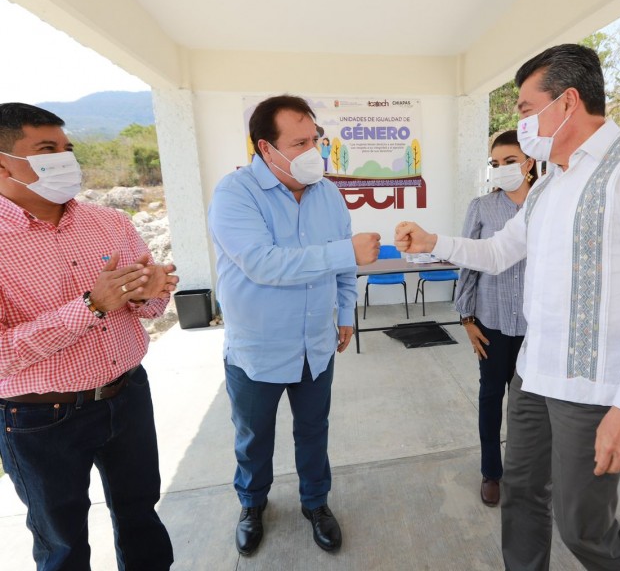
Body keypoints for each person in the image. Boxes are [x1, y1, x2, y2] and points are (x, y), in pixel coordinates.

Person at [394, 43, 620, 570]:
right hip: (534, 375)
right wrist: (432, 242)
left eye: (527, 109)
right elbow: (498, 252)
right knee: (522, 497)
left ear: (568, 102)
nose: (523, 123)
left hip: (597, 388)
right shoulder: (548, 185)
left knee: (584, 527)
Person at [0, 102, 179, 570]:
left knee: (141, 515)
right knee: (63, 544)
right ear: (3, 163)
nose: (65, 160)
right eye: (46, 150)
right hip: (41, 418)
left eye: (67, 148)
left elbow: (150, 308)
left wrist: (150, 291)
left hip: (127, 394)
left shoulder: (109, 222)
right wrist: (91, 306)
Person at [207, 95, 380, 557]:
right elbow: (265, 264)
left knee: (313, 430)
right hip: (258, 350)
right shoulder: (234, 194)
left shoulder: (327, 193)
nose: (314, 151)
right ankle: (252, 503)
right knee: (253, 436)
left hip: (315, 344)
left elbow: (344, 267)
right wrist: (348, 253)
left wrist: (346, 313)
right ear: (266, 148)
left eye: (316, 139)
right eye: (300, 142)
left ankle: (315, 503)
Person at [453, 130, 537, 507]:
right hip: (492, 321)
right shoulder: (482, 207)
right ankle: (492, 472)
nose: (502, 169)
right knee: (491, 397)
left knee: (533, 404)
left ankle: (529, 471)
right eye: (496, 163)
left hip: (537, 327)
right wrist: (468, 319)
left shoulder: (547, 204)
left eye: (510, 161)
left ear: (529, 162)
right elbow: (468, 263)